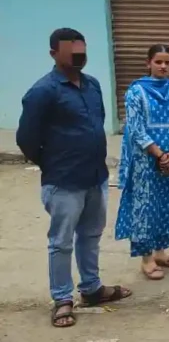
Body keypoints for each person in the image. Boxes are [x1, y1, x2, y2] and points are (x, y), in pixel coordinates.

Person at [17, 28, 132, 328]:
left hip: (95, 175)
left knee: (91, 235)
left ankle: (92, 289)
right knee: (61, 242)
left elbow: (98, 123)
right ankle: (62, 299)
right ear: (54, 53)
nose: (79, 56)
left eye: (82, 51)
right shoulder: (43, 92)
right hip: (63, 181)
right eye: (72, 52)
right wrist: (51, 164)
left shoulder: (92, 85)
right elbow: (26, 139)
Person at [115, 44, 169, 280]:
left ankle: (161, 252)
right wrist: (159, 154)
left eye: (167, 62)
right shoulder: (136, 92)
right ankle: (146, 258)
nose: (163, 66)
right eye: (158, 62)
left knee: (168, 204)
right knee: (145, 207)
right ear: (148, 63)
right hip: (145, 160)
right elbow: (136, 129)